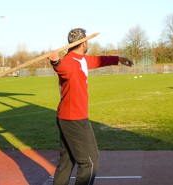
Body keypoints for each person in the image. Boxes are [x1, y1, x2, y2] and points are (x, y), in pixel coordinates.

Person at [49, 28, 133, 185]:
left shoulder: (82, 60)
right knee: (90, 161)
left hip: (68, 117)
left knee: (67, 160)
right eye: (87, 41)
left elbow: (99, 60)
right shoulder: (69, 62)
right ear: (83, 43)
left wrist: (118, 59)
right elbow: (62, 69)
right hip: (74, 119)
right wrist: (55, 62)